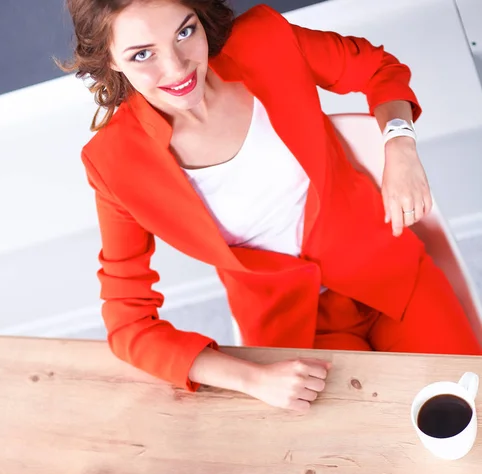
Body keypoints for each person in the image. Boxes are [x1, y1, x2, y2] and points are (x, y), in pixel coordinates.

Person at [63, 0, 481, 411]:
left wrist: (399, 144)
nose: (177, 68)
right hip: (292, 337)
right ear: (111, 59)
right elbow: (128, 323)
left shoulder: (265, 40)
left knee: (470, 410)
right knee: (356, 463)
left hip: (391, 275)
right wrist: (252, 378)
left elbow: (375, 66)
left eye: (185, 32)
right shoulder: (114, 164)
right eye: (142, 55)